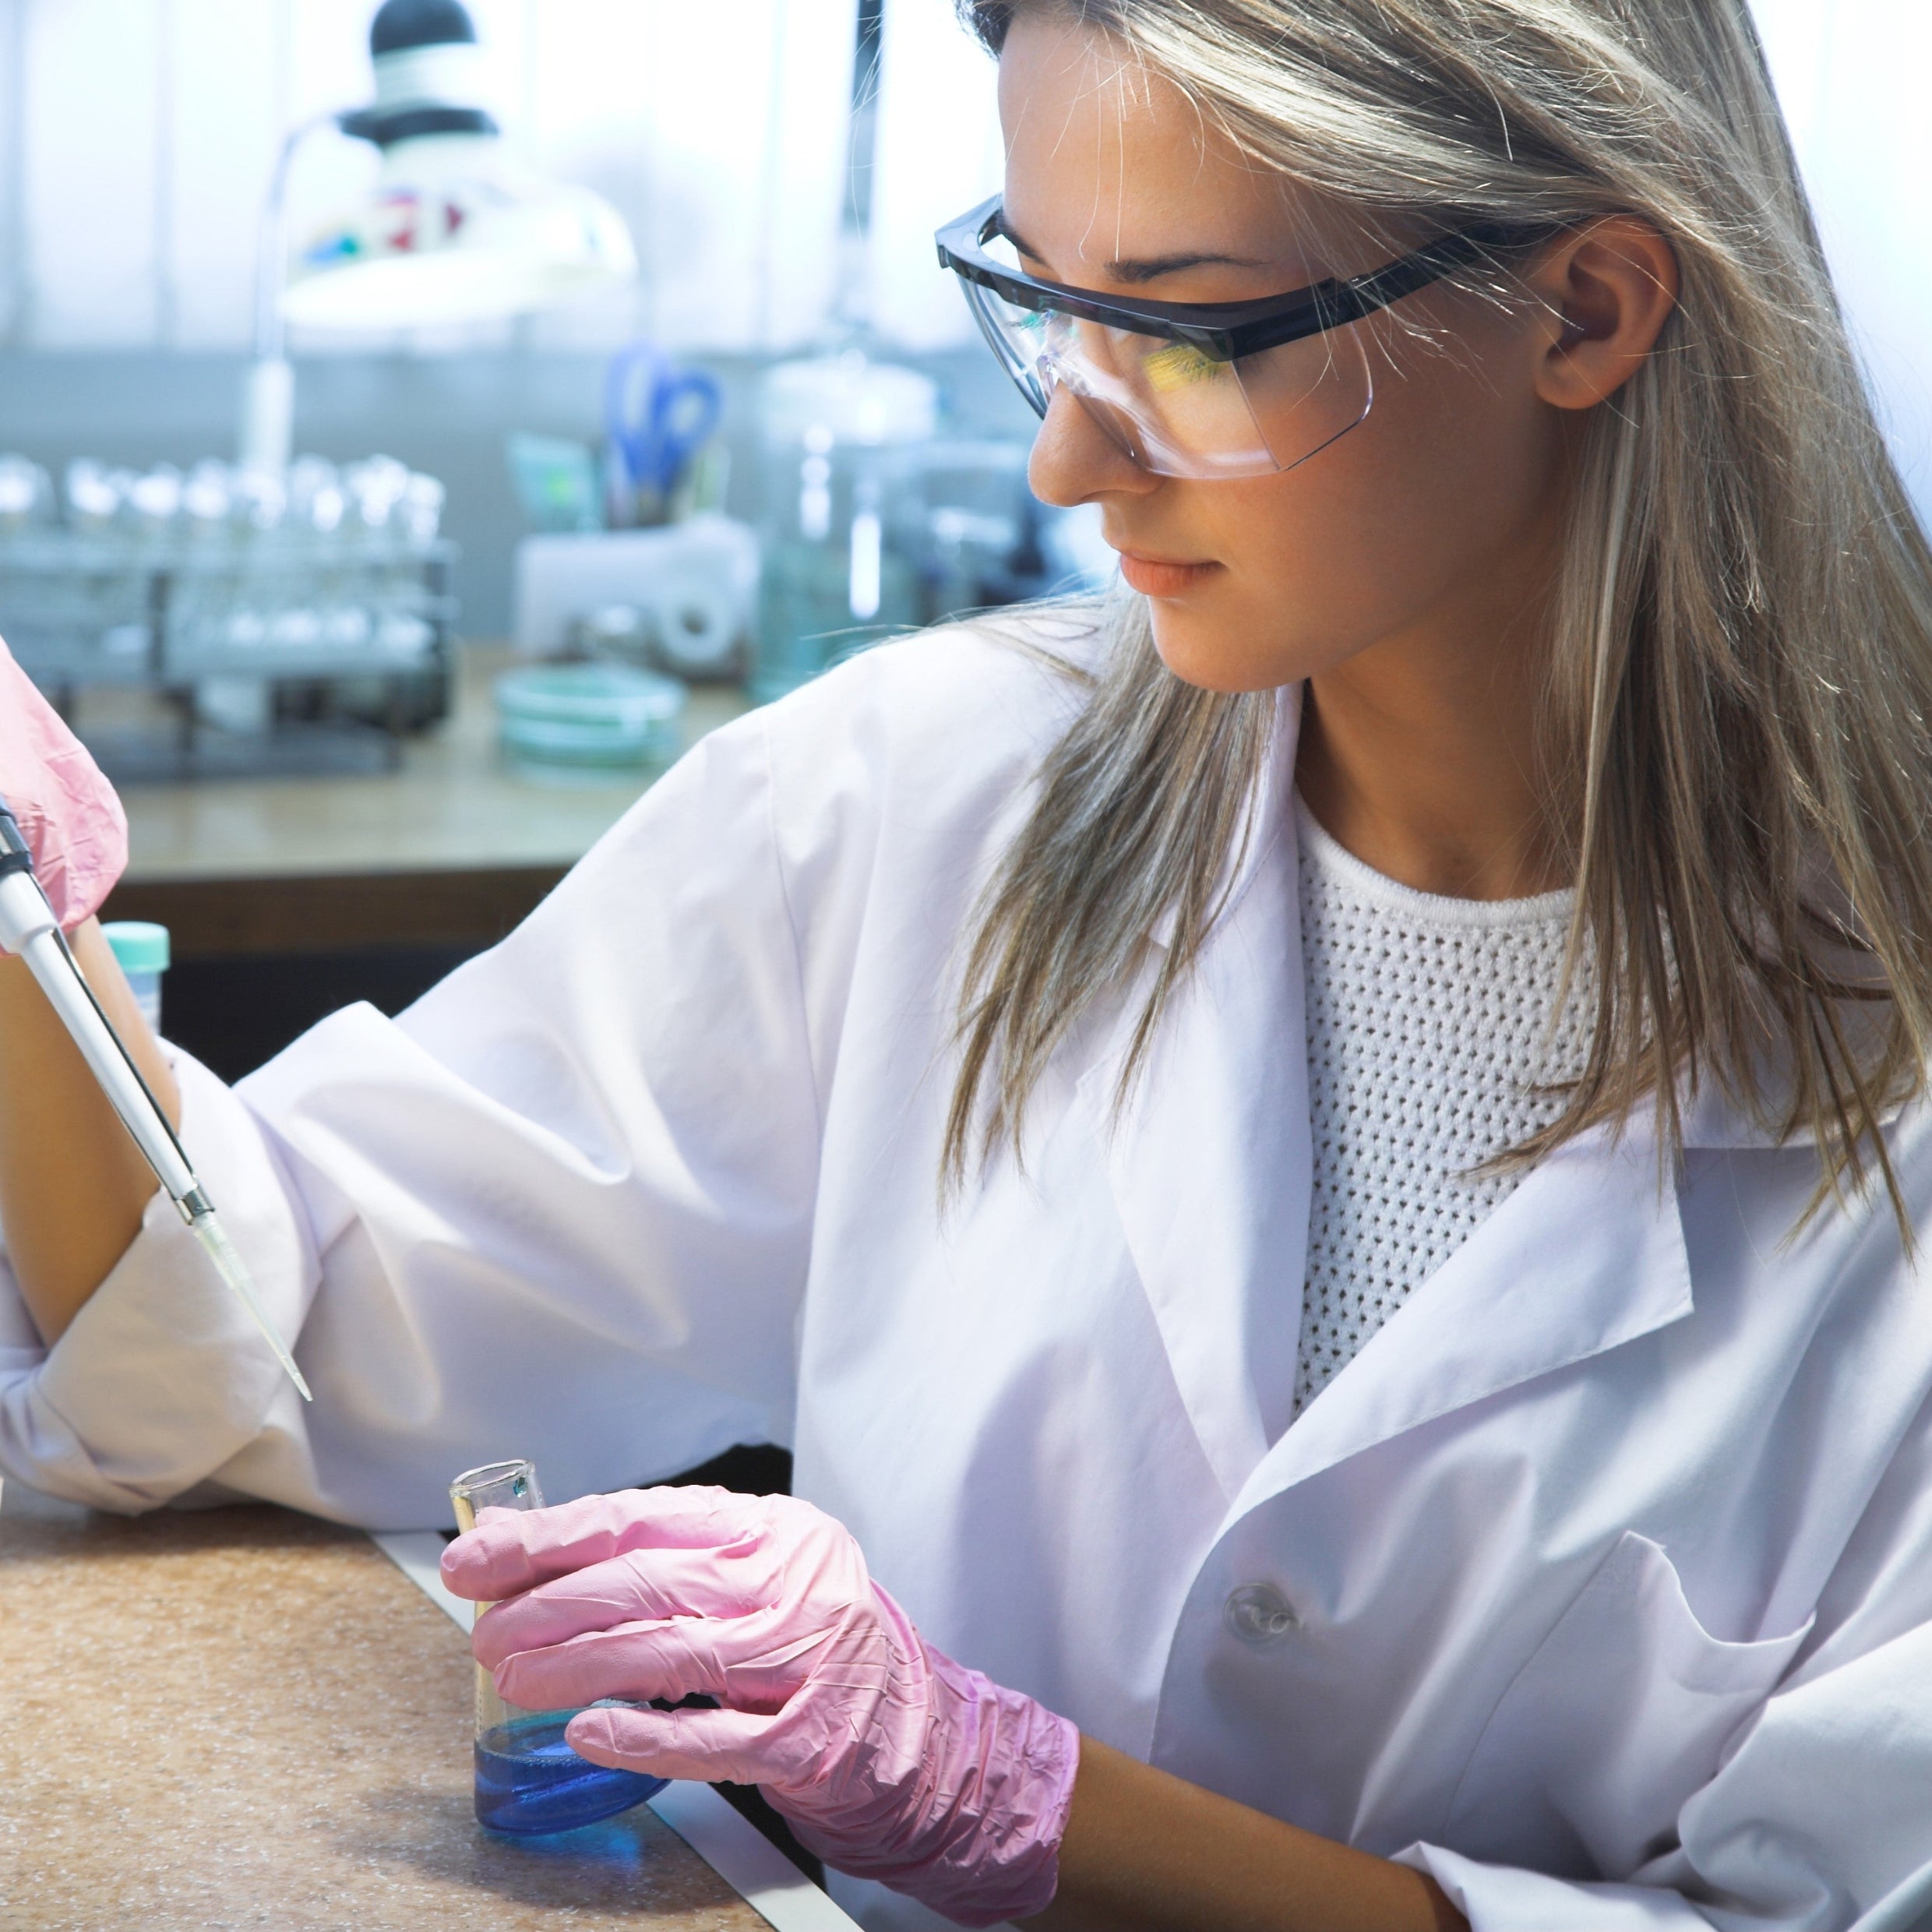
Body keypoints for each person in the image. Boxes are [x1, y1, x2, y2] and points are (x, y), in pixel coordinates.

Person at [5, 0, 1932, 1925]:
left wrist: (1013, 1795)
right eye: (1047, 300)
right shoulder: (919, 793)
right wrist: (29, 932)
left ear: (1585, 311)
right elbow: (269, 1335)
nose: (1068, 461)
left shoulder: (1894, 1080)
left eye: (1183, 330)